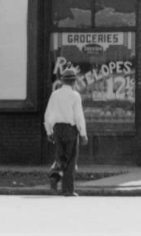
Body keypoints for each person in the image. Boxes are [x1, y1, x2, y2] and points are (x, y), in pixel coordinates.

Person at [44, 67, 88, 196]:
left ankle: (54, 177)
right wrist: (83, 134)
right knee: (70, 159)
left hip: (57, 128)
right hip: (70, 129)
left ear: (62, 81)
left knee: (60, 155)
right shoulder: (75, 96)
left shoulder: (55, 94)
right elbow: (79, 116)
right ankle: (68, 190)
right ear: (74, 82)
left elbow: (48, 114)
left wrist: (49, 131)